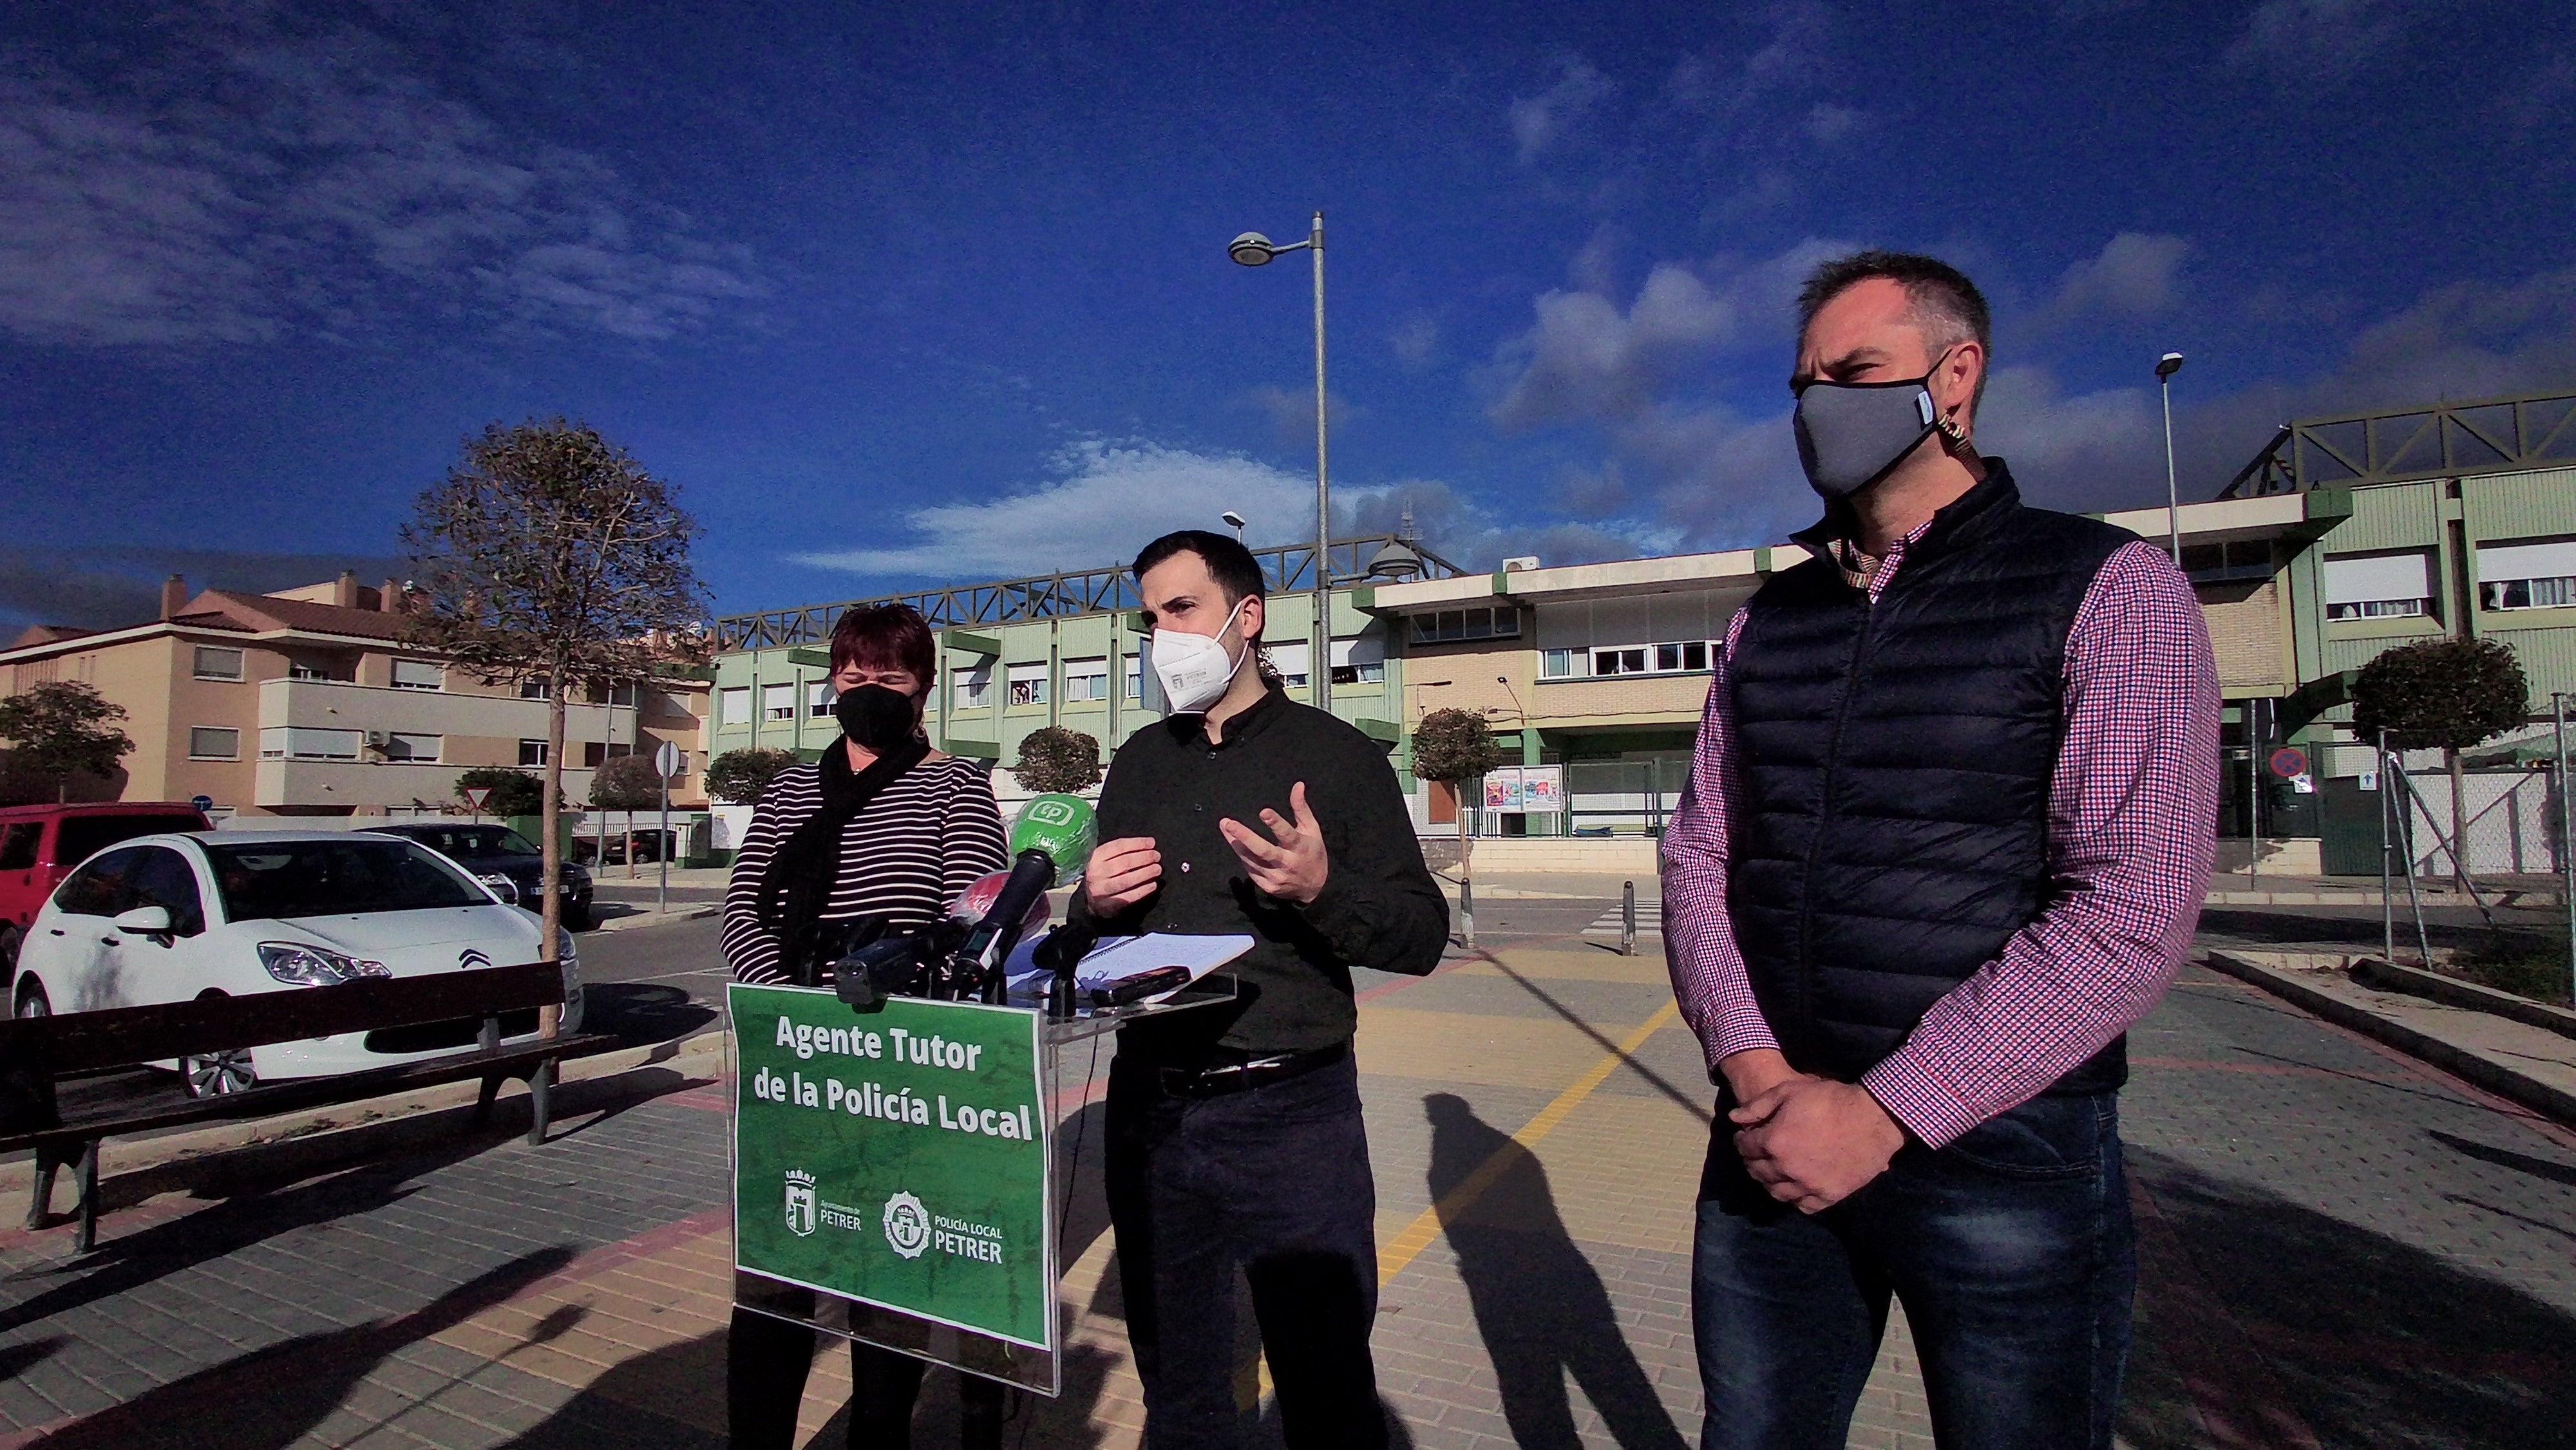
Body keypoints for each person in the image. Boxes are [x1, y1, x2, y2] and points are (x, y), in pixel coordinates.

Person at [1660, 251, 2220, 1449]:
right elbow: (1701, 853)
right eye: (1801, 384)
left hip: (2000, 1150)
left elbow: (2133, 904)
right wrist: (1757, 1072)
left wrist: (1888, 1111)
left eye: (1854, 373)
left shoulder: (2108, 587)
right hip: (1771, 1140)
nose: (1818, 408)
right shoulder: (1770, 617)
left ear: (1955, 379)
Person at [1063, 530, 1447, 1449]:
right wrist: (1090, 903)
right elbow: (1093, 945)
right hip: (1150, 1107)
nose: (1162, 636)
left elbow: (1422, 937)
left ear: (1248, 616)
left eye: (1182, 610)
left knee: (1323, 1387)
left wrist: (1324, 890)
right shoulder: (1138, 762)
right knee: (1179, 1385)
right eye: (1149, 618)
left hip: (1291, 1116)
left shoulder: (1340, 758)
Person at [722, 602, 1008, 1450]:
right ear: (832, 683)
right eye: (855, 675)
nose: (871, 689)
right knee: (775, 1282)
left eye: (891, 676)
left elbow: (974, 916)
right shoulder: (787, 790)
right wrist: (794, 1008)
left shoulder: (955, 786)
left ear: (923, 688)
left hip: (898, 1073)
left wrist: (901, 982)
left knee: (888, 1282)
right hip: (796, 1064)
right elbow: (746, 910)